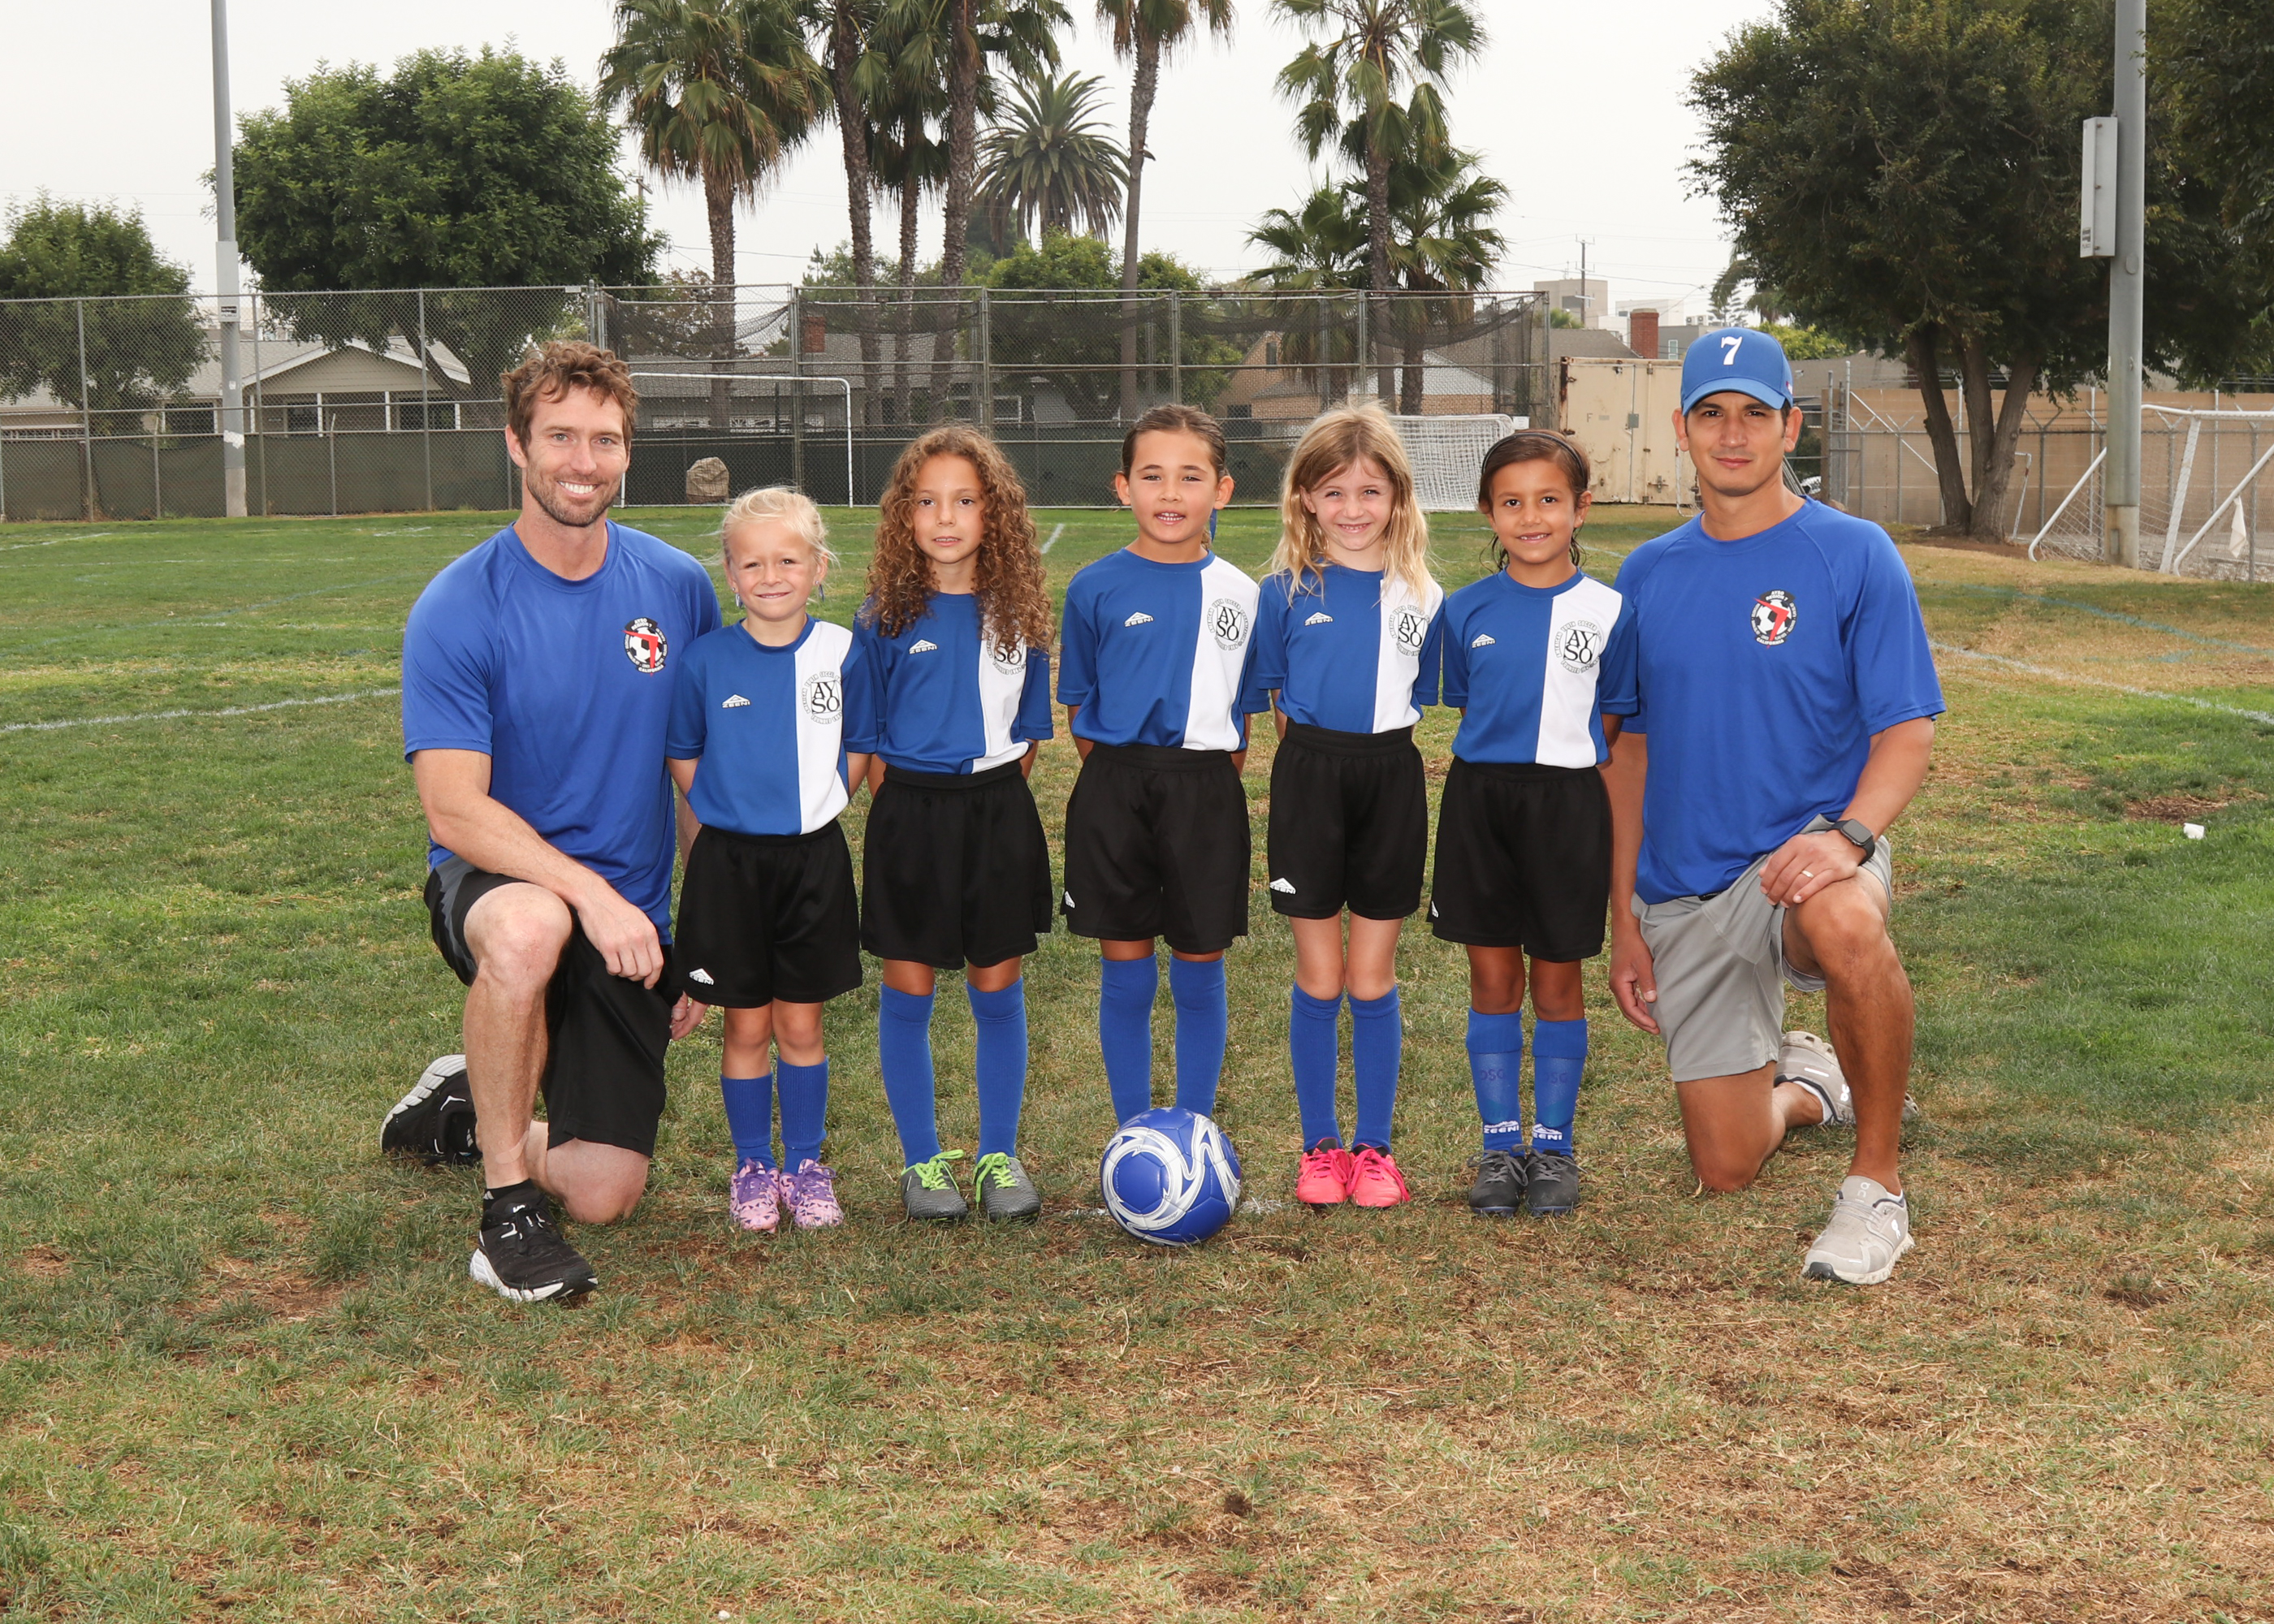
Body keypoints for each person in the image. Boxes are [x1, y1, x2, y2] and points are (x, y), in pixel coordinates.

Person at [1602, 326, 1943, 1285]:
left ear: (1790, 426)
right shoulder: (1647, 574)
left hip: (1808, 852)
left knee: (1842, 920)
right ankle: (1808, 1085)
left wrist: (1850, 836)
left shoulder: (1853, 552)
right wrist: (1623, 919)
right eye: (1711, 414)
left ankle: (1875, 1188)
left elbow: (1905, 730)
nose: (1732, 433)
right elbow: (1628, 753)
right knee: (1724, 1164)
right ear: (1681, 429)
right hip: (1687, 883)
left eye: (1754, 413)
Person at [385, 341, 719, 1303]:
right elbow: (454, 806)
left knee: (605, 1190)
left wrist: (703, 933)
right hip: (498, 881)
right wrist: (587, 896)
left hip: (629, 915)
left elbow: (695, 777)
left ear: (628, 451)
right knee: (535, 926)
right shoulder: (460, 604)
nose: (583, 460)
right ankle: (507, 1212)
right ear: (516, 444)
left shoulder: (676, 586)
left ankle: (464, 1110)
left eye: (604, 440)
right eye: (560, 436)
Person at [854, 426, 1055, 1223]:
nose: (945, 517)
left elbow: (1029, 738)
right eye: (927, 501)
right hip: (909, 815)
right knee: (908, 986)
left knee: (996, 983)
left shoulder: (1019, 614)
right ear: (903, 515)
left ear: (993, 512)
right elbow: (868, 744)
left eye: (965, 500)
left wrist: (984, 802)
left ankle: (998, 1154)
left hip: (997, 812)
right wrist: (915, 810)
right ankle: (921, 1160)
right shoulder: (882, 618)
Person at [1433, 431, 1636, 1220]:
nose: (1531, 517)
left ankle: (1552, 1145)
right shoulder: (1464, 610)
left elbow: (1611, 719)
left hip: (1567, 806)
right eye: (1511, 502)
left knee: (1556, 980)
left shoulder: (1610, 611)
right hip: (1480, 804)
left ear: (1580, 508)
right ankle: (1499, 1144)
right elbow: (1466, 705)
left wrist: (1560, 764)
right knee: (1492, 979)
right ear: (1488, 512)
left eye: (1548, 499)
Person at [1245, 405, 1444, 1209]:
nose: (1353, 508)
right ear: (1304, 499)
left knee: (1370, 976)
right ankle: (1320, 1147)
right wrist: (1315, 770)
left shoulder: (1423, 596)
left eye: (1370, 491)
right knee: (1320, 976)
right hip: (1309, 780)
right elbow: (1278, 703)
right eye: (1334, 491)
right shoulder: (1282, 593)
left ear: (1397, 498)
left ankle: (1375, 1148)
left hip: (1391, 779)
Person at [666, 488, 875, 1234]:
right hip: (730, 868)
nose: (770, 576)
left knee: (801, 1025)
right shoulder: (704, 660)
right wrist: (728, 809)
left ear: (819, 567)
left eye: (788, 560)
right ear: (730, 574)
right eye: (752, 563)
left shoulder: (843, 653)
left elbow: (859, 747)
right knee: (746, 1028)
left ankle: (808, 1165)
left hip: (813, 863)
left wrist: (821, 802)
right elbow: (684, 754)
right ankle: (754, 1165)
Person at [1057, 404, 1261, 1126]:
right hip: (1114, 785)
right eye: (1152, 476)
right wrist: (1124, 777)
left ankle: (1195, 1129)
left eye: (1190, 477)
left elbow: (1242, 718)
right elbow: (1079, 706)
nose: (1170, 493)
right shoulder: (1093, 587)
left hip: (1206, 789)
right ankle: (1133, 1132)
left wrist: (1200, 784)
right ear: (1123, 487)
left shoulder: (1243, 594)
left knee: (1201, 964)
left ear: (1222, 490)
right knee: (1126, 968)